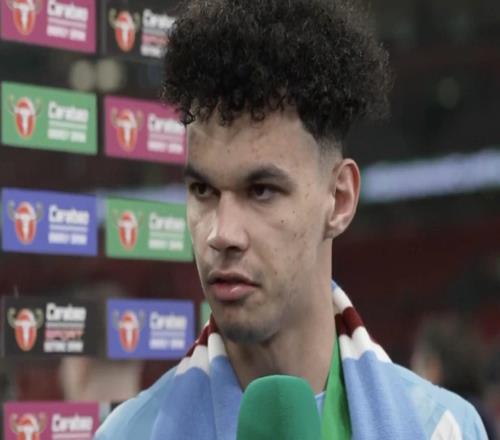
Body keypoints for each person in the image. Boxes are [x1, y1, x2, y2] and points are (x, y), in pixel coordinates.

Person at [96, 0, 488, 438]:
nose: (221, 234)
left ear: (339, 200)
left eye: (261, 191)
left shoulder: (444, 430)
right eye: (203, 190)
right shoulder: (125, 435)